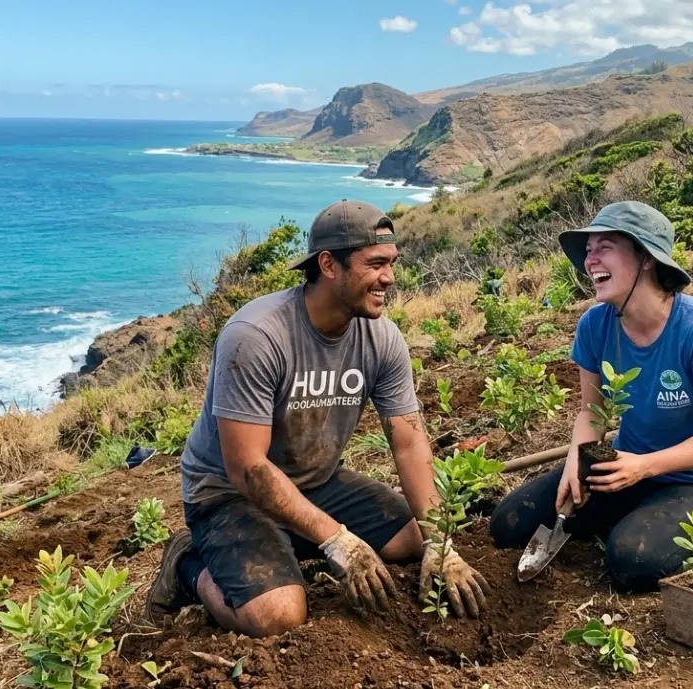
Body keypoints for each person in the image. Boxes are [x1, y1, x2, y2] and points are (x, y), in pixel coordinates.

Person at [144, 200, 490, 637]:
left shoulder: (381, 337)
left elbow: (408, 442)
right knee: (279, 617)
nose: (389, 278)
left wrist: (441, 544)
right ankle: (189, 564)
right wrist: (336, 539)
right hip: (229, 495)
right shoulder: (256, 337)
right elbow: (247, 467)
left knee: (414, 541)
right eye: (375, 264)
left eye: (392, 264)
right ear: (329, 264)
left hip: (314, 480)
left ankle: (284, 543)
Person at [490, 201, 693, 591]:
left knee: (631, 559)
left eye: (605, 246)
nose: (591, 260)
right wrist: (578, 464)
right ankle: (631, 511)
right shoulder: (595, 325)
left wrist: (645, 466)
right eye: (588, 250)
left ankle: (648, 522)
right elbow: (591, 411)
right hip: (626, 468)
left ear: (645, 257)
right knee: (508, 523)